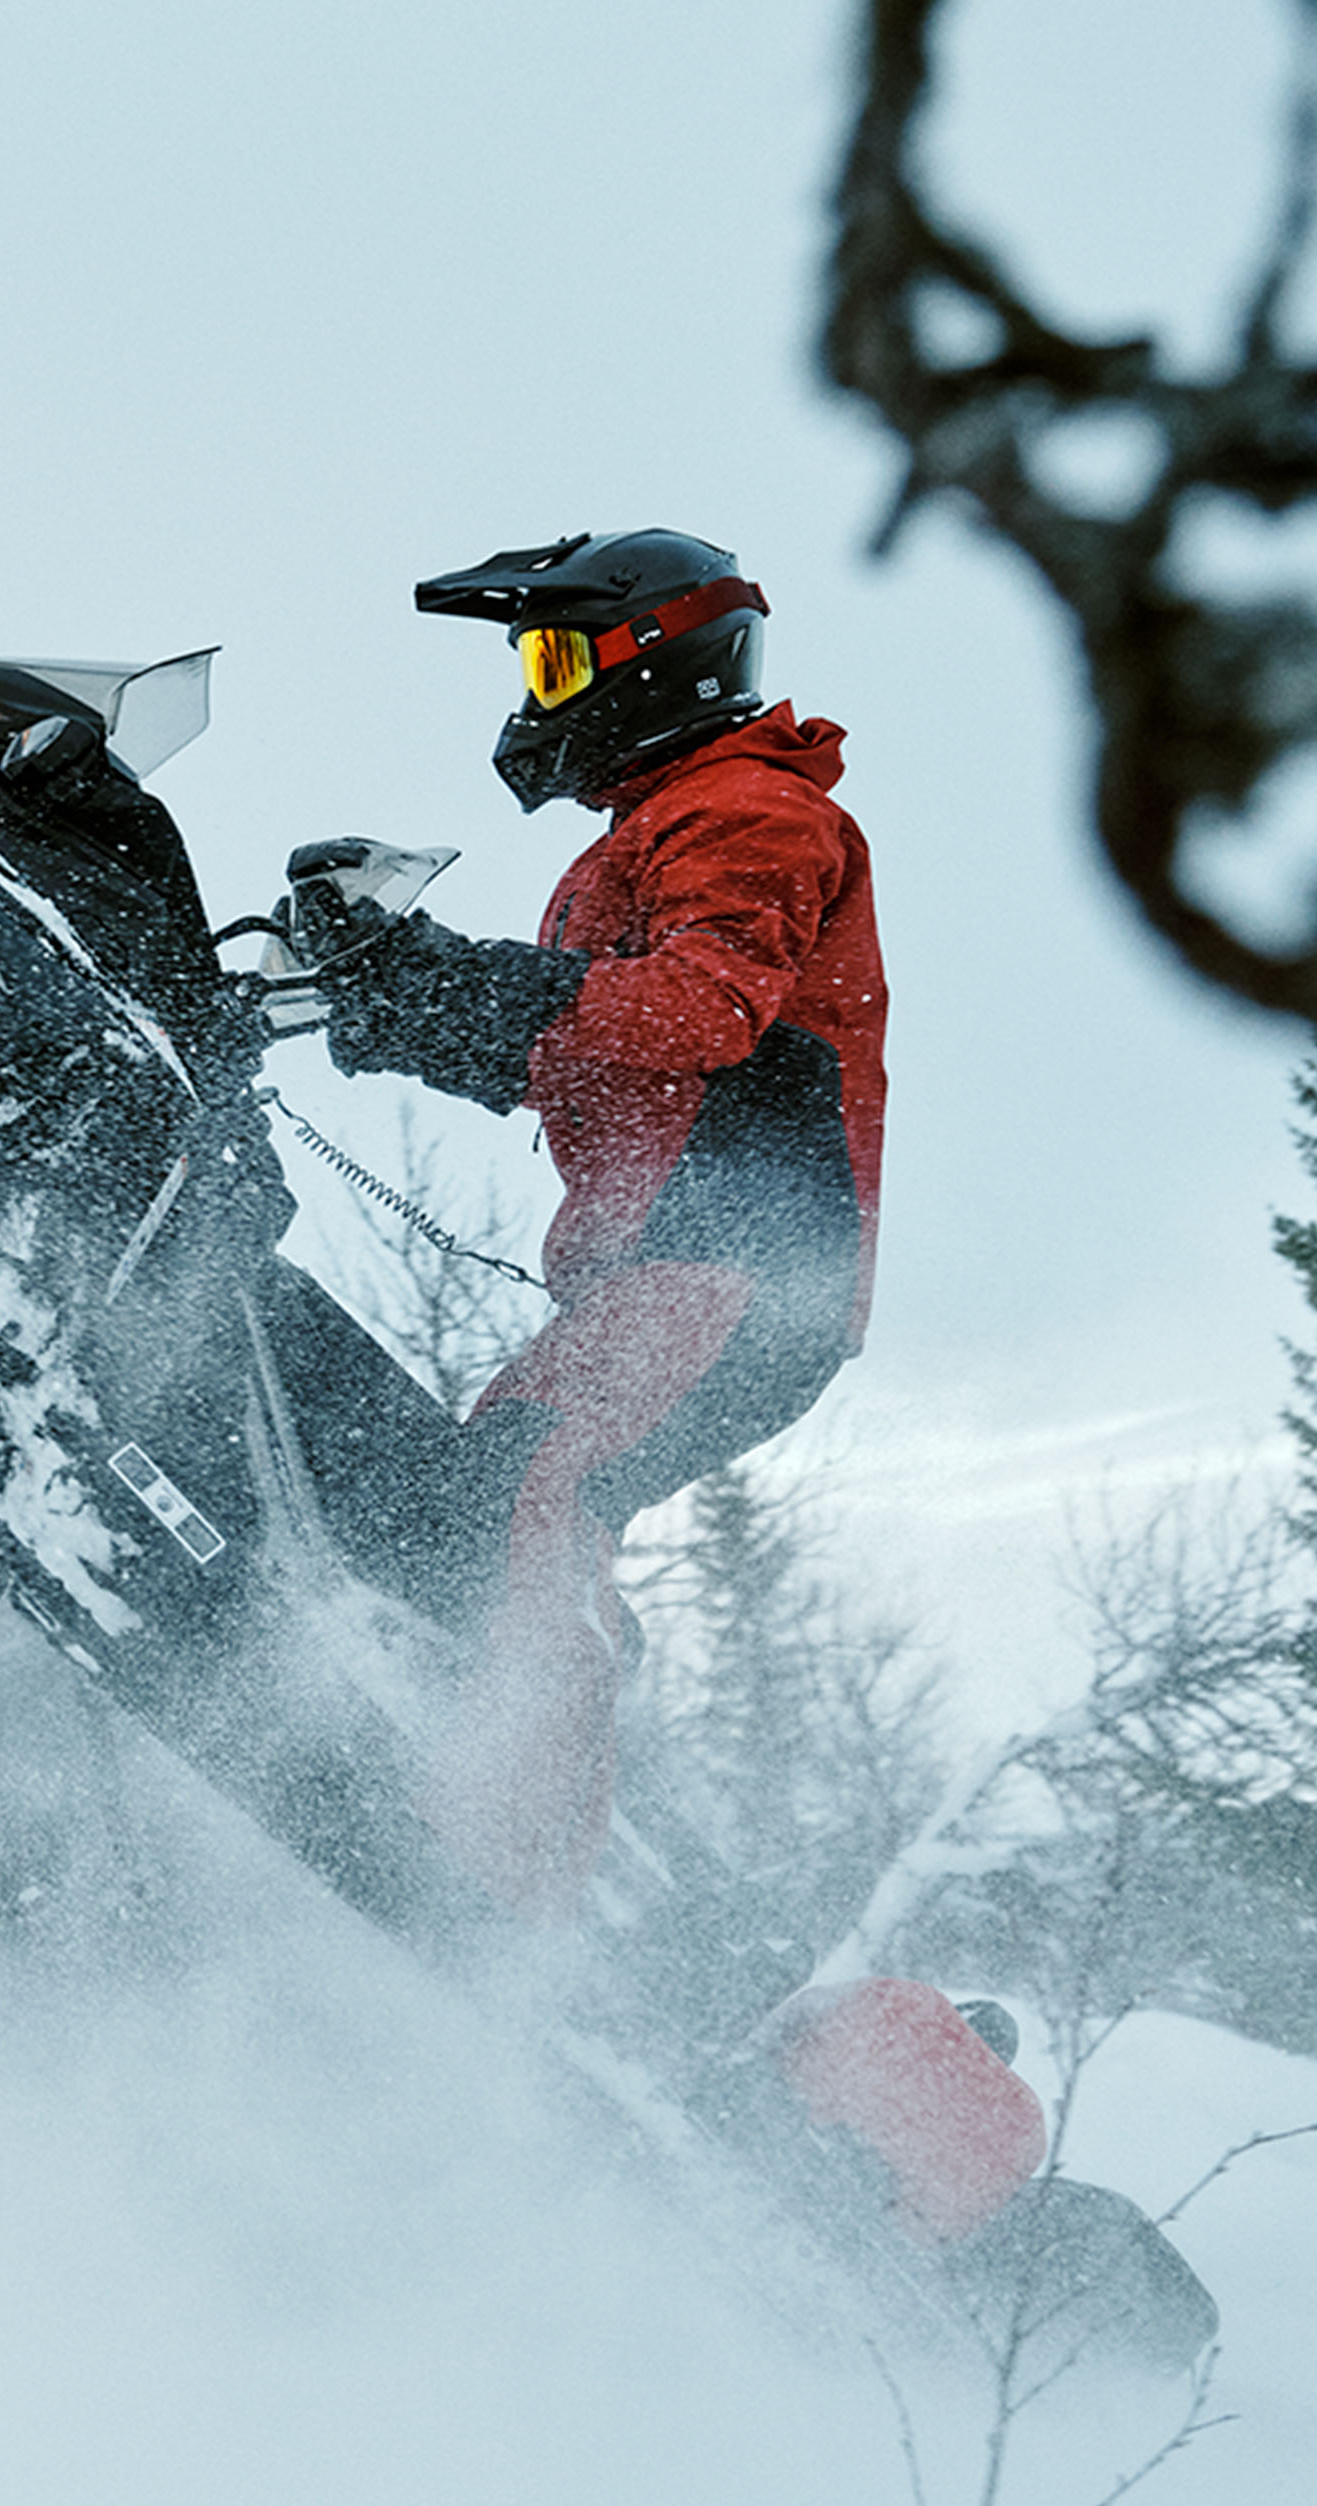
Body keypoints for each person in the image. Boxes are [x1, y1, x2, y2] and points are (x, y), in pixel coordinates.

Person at [279, 528, 888, 1909]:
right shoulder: (651, 835)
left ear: (657, 662)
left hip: (744, 1267)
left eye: (558, 658)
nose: (539, 695)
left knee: (532, 1500)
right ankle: (521, 1815)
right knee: (465, 1502)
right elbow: (573, 1046)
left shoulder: (750, 810)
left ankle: (514, 1890)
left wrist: (455, 977)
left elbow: (692, 1011)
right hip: (663, 1278)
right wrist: (383, 994)